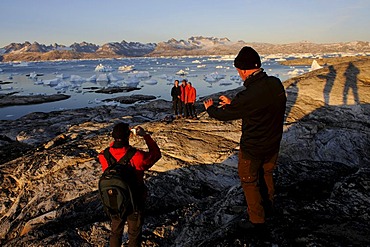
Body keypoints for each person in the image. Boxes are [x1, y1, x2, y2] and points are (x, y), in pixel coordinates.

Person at [203, 46, 286, 230]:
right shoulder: (275, 83)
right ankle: (269, 208)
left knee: (249, 182)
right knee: (267, 175)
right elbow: (259, 106)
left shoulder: (249, 94)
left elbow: (224, 115)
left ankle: (258, 222)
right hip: (273, 144)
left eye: (239, 71)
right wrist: (235, 104)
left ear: (245, 70)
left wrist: (210, 109)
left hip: (253, 147)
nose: (239, 74)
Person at [98, 123, 161, 247]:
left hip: (115, 200)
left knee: (115, 233)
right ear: (129, 136)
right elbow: (156, 155)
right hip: (135, 202)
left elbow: (112, 153)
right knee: (134, 233)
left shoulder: (103, 155)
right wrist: (146, 136)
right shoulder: (137, 156)